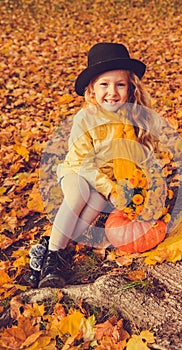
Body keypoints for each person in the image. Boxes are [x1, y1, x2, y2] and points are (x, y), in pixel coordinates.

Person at [37, 42, 159, 288]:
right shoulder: (86, 118)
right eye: (104, 84)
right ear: (92, 88)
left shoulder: (132, 117)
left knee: (93, 203)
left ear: (130, 88)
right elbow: (83, 163)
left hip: (103, 183)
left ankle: (55, 244)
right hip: (78, 170)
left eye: (120, 84)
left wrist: (138, 188)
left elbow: (138, 158)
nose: (112, 92)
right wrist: (112, 189)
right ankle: (52, 257)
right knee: (80, 194)